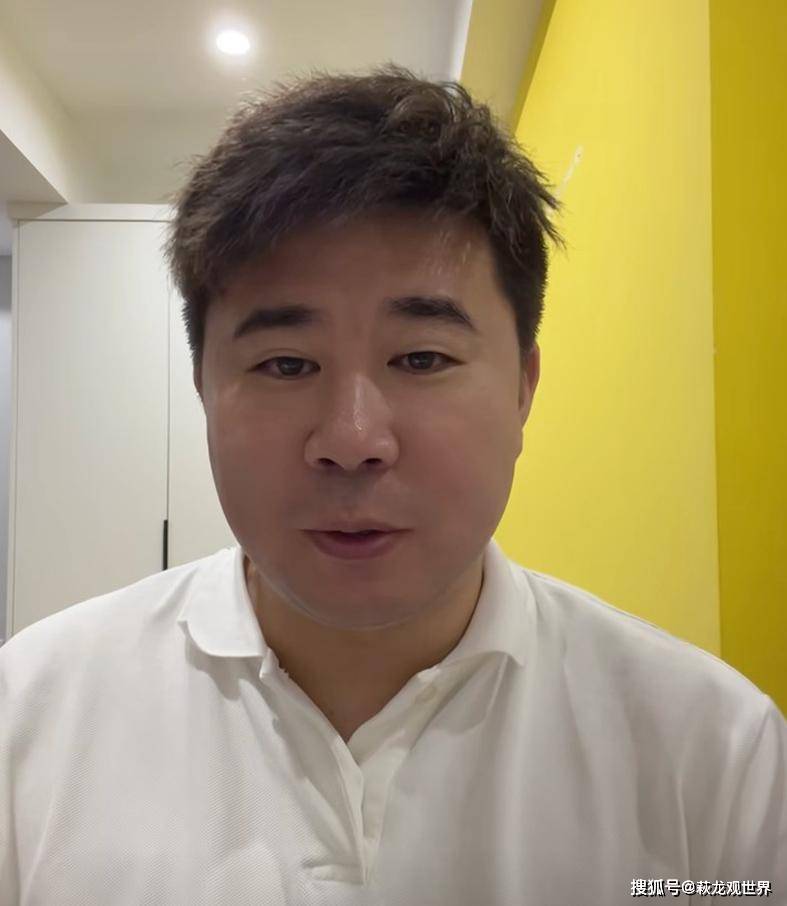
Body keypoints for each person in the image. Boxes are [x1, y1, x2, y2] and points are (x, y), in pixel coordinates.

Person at [0, 65, 784, 905]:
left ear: (522, 389)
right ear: (203, 388)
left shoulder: (711, 750)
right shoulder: (30, 717)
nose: (351, 441)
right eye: (285, 364)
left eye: (420, 358)